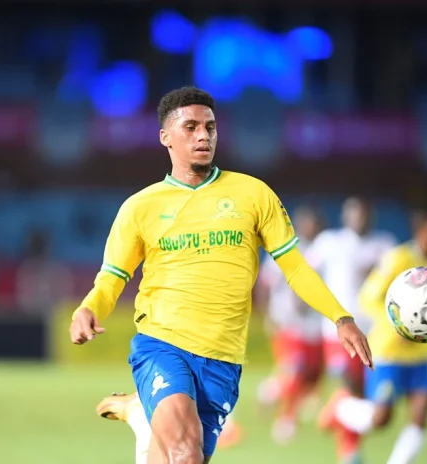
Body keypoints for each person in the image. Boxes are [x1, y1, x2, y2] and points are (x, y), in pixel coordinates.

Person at [69, 86, 372, 464]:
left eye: (210, 127)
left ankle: (142, 416)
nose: (203, 136)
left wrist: (341, 318)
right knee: (184, 454)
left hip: (223, 362)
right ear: (165, 137)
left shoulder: (254, 194)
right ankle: (150, 412)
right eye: (191, 127)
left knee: (182, 458)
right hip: (162, 346)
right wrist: (88, 308)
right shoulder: (140, 208)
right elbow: (112, 277)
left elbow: (294, 267)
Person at [318, 209, 427, 464]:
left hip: (423, 354)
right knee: (381, 419)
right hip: (390, 352)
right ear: (423, 230)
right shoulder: (398, 258)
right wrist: (400, 326)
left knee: (421, 416)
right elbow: (368, 297)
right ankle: (340, 408)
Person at [217, 205, 326, 448]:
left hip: (313, 324)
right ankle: (286, 421)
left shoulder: (320, 250)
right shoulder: (284, 248)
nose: (311, 227)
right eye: (307, 223)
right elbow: (266, 284)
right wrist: (266, 313)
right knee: (296, 370)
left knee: (311, 373)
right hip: (286, 322)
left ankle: (270, 391)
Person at [308, 197, 396, 462]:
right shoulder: (330, 242)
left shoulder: (385, 245)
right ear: (345, 217)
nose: (360, 220)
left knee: (360, 394)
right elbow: (305, 272)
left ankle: (339, 417)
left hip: (374, 332)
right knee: (348, 384)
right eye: (355, 214)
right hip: (338, 328)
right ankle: (349, 451)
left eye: (364, 215)